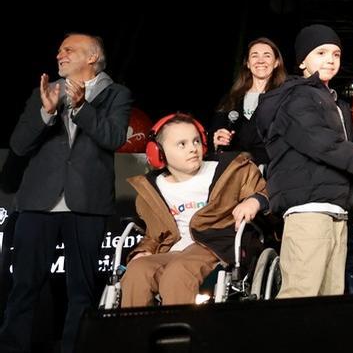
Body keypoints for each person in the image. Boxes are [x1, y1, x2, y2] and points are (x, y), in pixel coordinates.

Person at [0, 33, 132, 353]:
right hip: (38, 204)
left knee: (81, 292)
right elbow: (18, 145)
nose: (60, 54)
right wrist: (45, 113)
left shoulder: (117, 94)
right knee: (24, 288)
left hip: (87, 205)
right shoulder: (44, 93)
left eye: (68, 49)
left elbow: (114, 138)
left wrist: (83, 108)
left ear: (91, 57)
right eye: (59, 50)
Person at [255, 23, 353, 297]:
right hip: (308, 210)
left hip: (336, 212)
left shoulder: (337, 104)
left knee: (330, 300)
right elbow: (323, 144)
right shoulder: (296, 98)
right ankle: (281, 342)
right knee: (300, 294)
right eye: (321, 52)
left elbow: (345, 159)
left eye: (336, 54)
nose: (330, 60)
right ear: (302, 60)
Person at [121, 113, 267, 306]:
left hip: (215, 245)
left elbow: (264, 190)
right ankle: (135, 332)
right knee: (138, 270)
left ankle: (177, 333)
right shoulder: (153, 189)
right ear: (158, 153)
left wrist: (254, 201)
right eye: (182, 144)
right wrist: (144, 251)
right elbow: (154, 234)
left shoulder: (230, 170)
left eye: (196, 141)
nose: (193, 149)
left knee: (178, 272)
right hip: (173, 249)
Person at [210, 37, 287, 165]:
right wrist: (217, 139)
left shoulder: (285, 98)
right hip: (232, 169)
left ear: (276, 62)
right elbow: (215, 131)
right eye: (254, 56)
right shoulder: (231, 98)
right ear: (248, 63)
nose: (260, 61)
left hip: (270, 172)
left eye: (267, 56)